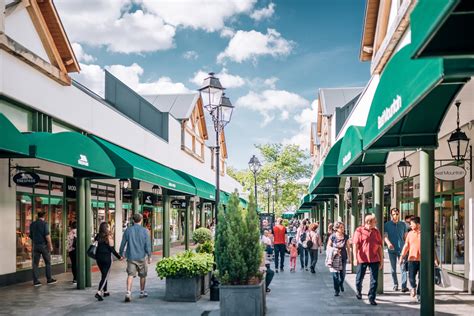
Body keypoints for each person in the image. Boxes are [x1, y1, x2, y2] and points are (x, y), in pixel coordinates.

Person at [119, 213, 152, 302]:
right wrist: (149, 256)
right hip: (141, 256)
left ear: (133, 220)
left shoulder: (128, 230)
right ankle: (142, 292)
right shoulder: (145, 231)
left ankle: (128, 292)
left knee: (130, 275)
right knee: (143, 275)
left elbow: (123, 243)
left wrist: (121, 253)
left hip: (131, 256)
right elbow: (148, 245)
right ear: (141, 220)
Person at [353, 214, 383, 306]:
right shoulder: (359, 230)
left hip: (374, 259)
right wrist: (355, 258)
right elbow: (355, 245)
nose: (376, 223)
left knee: (374, 280)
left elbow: (379, 247)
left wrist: (381, 260)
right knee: (359, 279)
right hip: (362, 258)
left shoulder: (376, 231)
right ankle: (359, 291)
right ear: (369, 222)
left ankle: (371, 297)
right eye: (375, 221)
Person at [94, 222, 121, 301]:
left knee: (103, 274)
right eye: (108, 227)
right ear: (106, 228)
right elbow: (112, 249)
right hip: (106, 258)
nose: (109, 228)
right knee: (105, 276)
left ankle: (105, 291)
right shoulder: (108, 237)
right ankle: (98, 292)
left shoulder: (97, 236)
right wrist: (119, 257)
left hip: (98, 258)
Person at [384, 208, 408, 292]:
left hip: (401, 250)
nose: (395, 216)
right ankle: (395, 284)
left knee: (403, 268)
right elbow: (385, 237)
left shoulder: (403, 224)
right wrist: (388, 243)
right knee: (393, 269)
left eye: (397, 214)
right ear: (391, 215)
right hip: (392, 250)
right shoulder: (387, 225)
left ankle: (404, 286)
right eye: (394, 214)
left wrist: (407, 247)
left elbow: (405, 237)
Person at [30, 211, 56, 286]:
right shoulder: (45, 224)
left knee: (35, 264)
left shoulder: (32, 224)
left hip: (35, 246)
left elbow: (31, 235)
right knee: (47, 262)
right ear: (44, 217)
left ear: (38, 216)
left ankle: (36, 282)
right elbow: (47, 236)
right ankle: (49, 279)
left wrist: (36, 240)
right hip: (43, 246)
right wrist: (50, 246)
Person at [400, 216, 421, 303]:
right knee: (411, 277)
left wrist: (435, 259)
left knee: (422, 278)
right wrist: (402, 256)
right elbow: (406, 246)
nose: (410, 226)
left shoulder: (425, 233)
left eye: (412, 224)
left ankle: (419, 294)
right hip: (411, 259)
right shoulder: (409, 234)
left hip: (423, 260)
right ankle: (413, 287)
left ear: (418, 224)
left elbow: (431, 248)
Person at [327, 221, 351, 296]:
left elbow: (348, 247)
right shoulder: (332, 236)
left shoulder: (346, 236)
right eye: (341, 227)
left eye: (343, 227)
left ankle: (341, 283)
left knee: (342, 274)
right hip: (334, 257)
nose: (343, 228)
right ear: (337, 228)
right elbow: (328, 246)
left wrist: (350, 258)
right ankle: (336, 290)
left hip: (343, 257)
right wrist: (334, 250)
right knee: (335, 275)